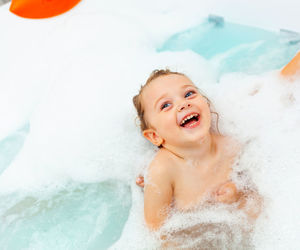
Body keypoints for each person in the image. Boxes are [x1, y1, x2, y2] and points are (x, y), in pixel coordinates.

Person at [133, 52, 300, 231]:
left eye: (189, 93)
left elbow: (264, 204)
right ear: (154, 137)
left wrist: (238, 196)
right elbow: (156, 234)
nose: (183, 104)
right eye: (165, 105)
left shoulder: (231, 145)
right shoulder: (163, 171)